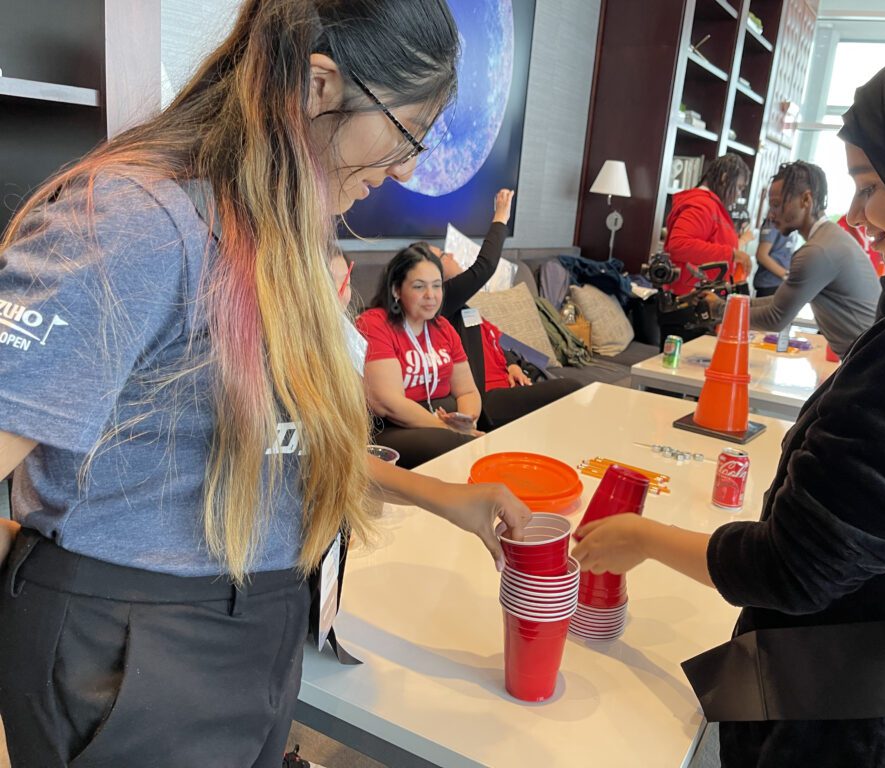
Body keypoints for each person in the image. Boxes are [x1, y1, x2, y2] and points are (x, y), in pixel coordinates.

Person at [0, 2, 532, 765]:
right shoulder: (135, 221)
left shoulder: (277, 239)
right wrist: (37, 573)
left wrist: (444, 499)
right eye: (407, 131)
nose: (410, 167)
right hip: (134, 649)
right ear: (319, 86)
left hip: (260, 619)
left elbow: (276, 451)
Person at [573, 34, 885, 766]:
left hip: (863, 712)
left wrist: (642, 539)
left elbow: (798, 569)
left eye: (873, 184)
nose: (862, 215)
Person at [434, 190, 580, 430]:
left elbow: (496, 341)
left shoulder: (467, 309)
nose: (450, 253)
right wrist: (501, 215)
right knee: (572, 389)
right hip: (487, 400)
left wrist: (512, 364)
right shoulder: (442, 303)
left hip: (510, 382)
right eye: (441, 255)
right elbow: (484, 267)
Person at [709, 161, 881, 357]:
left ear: (806, 200)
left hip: (868, 360)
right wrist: (726, 304)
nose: (772, 215)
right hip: (868, 356)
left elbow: (775, 318)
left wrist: (717, 309)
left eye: (776, 204)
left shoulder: (817, 251)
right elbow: (779, 303)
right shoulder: (830, 237)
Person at [357, 245, 483, 468]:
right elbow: (390, 404)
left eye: (437, 286)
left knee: (473, 444)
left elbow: (467, 390)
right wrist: (449, 429)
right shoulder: (374, 324)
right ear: (397, 290)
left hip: (441, 421)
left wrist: (465, 421)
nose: (431, 296)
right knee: (455, 445)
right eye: (419, 287)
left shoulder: (444, 328)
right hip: (393, 427)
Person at [661, 153, 753, 342]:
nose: (739, 195)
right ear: (725, 178)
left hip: (698, 304)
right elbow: (678, 245)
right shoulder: (701, 205)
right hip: (689, 305)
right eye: (739, 187)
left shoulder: (709, 206)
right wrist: (732, 254)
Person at [752, 216, 797, 297]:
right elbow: (761, 255)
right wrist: (786, 275)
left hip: (781, 283)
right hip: (769, 284)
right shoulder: (774, 221)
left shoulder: (793, 223)